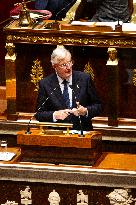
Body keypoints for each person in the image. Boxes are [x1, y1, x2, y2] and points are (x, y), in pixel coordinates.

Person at [35, 46, 102, 131]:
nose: (68, 67)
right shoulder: (45, 84)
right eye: (64, 65)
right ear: (54, 66)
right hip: (58, 135)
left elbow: (98, 106)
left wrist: (85, 111)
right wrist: (55, 115)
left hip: (83, 133)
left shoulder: (84, 79)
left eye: (70, 62)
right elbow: (39, 114)